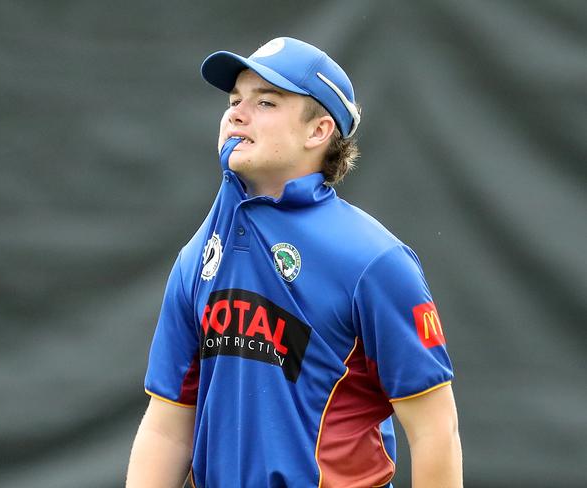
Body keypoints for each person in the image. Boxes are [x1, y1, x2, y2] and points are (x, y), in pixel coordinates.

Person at [126, 37, 462, 488]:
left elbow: (434, 429)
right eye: (234, 100)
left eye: (265, 102)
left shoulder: (375, 260)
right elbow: (167, 428)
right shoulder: (198, 257)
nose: (236, 114)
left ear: (318, 131)